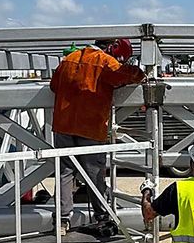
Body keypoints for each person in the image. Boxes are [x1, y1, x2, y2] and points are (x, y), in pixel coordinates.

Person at [49, 38, 144, 219]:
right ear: (111, 47)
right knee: (94, 173)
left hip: (63, 125)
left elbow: (54, 86)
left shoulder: (69, 59)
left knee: (65, 172)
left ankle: (62, 218)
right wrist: (140, 73)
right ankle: (102, 215)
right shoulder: (105, 61)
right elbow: (125, 75)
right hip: (90, 127)